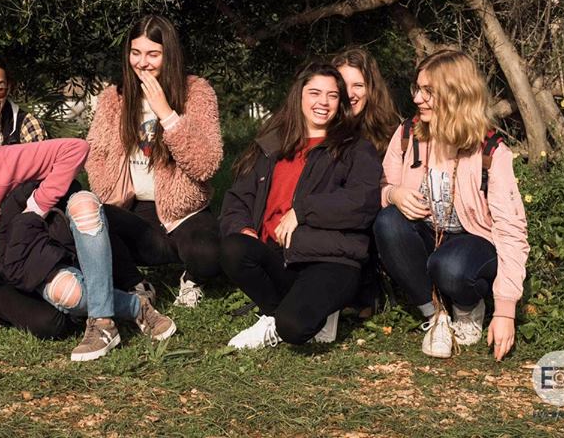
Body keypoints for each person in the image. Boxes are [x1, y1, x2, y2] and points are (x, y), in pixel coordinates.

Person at [0, 124, 175, 359]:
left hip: (42, 232)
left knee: (88, 208)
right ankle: (135, 306)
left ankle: (104, 319)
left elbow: (76, 148)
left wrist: (36, 206)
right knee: (65, 300)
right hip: (12, 258)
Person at [374, 49, 529, 361]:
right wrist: (393, 194)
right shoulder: (407, 134)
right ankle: (436, 316)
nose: (417, 98)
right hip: (425, 234)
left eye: (428, 91)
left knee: (450, 266)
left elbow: (511, 231)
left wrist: (505, 311)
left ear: (457, 94)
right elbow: (382, 188)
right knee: (387, 222)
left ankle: (468, 306)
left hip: (472, 245)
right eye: (417, 88)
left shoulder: (490, 152)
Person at [219, 61, 382, 349]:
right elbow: (238, 198)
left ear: (340, 102)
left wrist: (303, 211)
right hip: (278, 255)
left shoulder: (355, 148)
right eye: (315, 93)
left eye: (332, 95)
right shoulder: (272, 145)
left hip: (330, 259)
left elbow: (363, 202)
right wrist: (243, 228)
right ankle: (273, 313)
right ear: (299, 96)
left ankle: (302, 314)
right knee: (234, 247)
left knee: (294, 329)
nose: (323, 102)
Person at [86, 15, 223, 307]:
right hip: (135, 209)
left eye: (153, 54)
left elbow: (206, 163)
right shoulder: (114, 97)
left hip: (184, 211)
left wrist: (167, 114)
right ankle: (136, 283)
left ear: (168, 54)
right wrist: (110, 192)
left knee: (209, 255)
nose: (142, 62)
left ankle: (192, 279)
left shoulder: (196, 92)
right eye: (135, 53)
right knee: (91, 223)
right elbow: (96, 153)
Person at [331, 47, 400, 316]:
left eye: (358, 85)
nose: (350, 93)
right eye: (343, 84)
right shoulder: (322, 128)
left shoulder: (391, 132)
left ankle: (368, 291)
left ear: (371, 89)